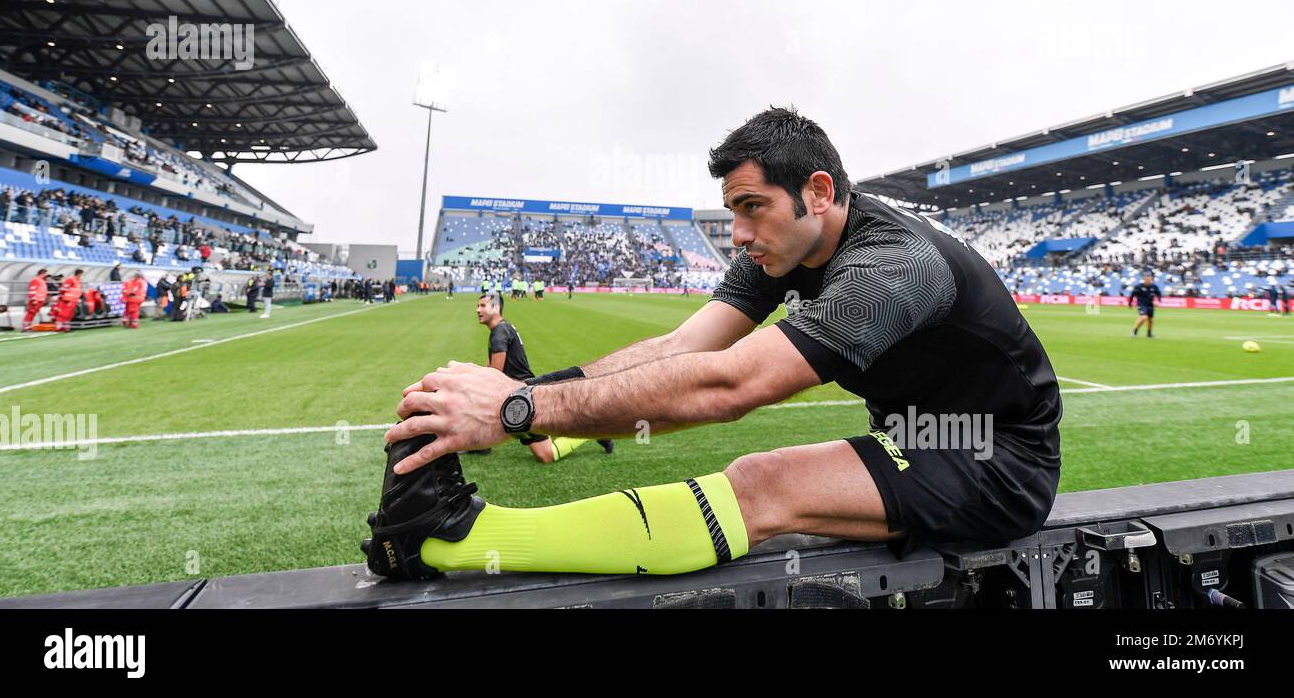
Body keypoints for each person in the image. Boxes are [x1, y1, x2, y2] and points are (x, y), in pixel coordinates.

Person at [363, 107, 1063, 581]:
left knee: (764, 483)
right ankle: (454, 531)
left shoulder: (891, 267)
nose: (739, 233)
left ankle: (457, 538)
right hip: (912, 435)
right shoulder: (781, 249)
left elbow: (729, 387)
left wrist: (516, 412)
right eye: (732, 211)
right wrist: (529, 399)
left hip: (997, 456)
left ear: (817, 192)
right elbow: (684, 348)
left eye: (751, 208)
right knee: (758, 471)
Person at [472, 291, 612, 463]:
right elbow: (491, 366)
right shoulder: (502, 328)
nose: (477, 309)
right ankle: (479, 444)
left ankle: (590, 433)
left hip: (520, 394)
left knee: (546, 455)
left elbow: (495, 374)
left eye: (482, 306)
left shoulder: (499, 333)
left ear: (495, 307)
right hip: (519, 390)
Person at [1128, 272, 1162, 338]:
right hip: (1141, 304)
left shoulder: (1154, 287)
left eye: (1150, 279)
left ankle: (1149, 334)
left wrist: (1159, 301)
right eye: (1147, 279)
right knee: (1144, 317)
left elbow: (1159, 294)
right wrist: (1130, 303)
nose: (1148, 281)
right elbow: (1132, 295)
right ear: (1144, 280)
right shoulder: (1139, 287)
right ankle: (1134, 331)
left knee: (1150, 320)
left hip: (1150, 305)